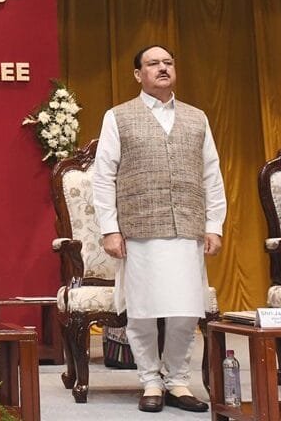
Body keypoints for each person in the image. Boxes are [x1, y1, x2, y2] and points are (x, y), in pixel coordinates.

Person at [91, 45, 226, 414]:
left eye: (168, 62)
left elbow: (211, 174)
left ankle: (178, 381)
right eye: (153, 64)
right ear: (138, 74)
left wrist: (214, 224)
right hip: (139, 229)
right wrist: (109, 229)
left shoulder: (196, 117)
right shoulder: (118, 117)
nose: (162, 68)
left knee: (186, 309)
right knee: (144, 310)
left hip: (187, 226)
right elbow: (103, 177)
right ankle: (150, 380)